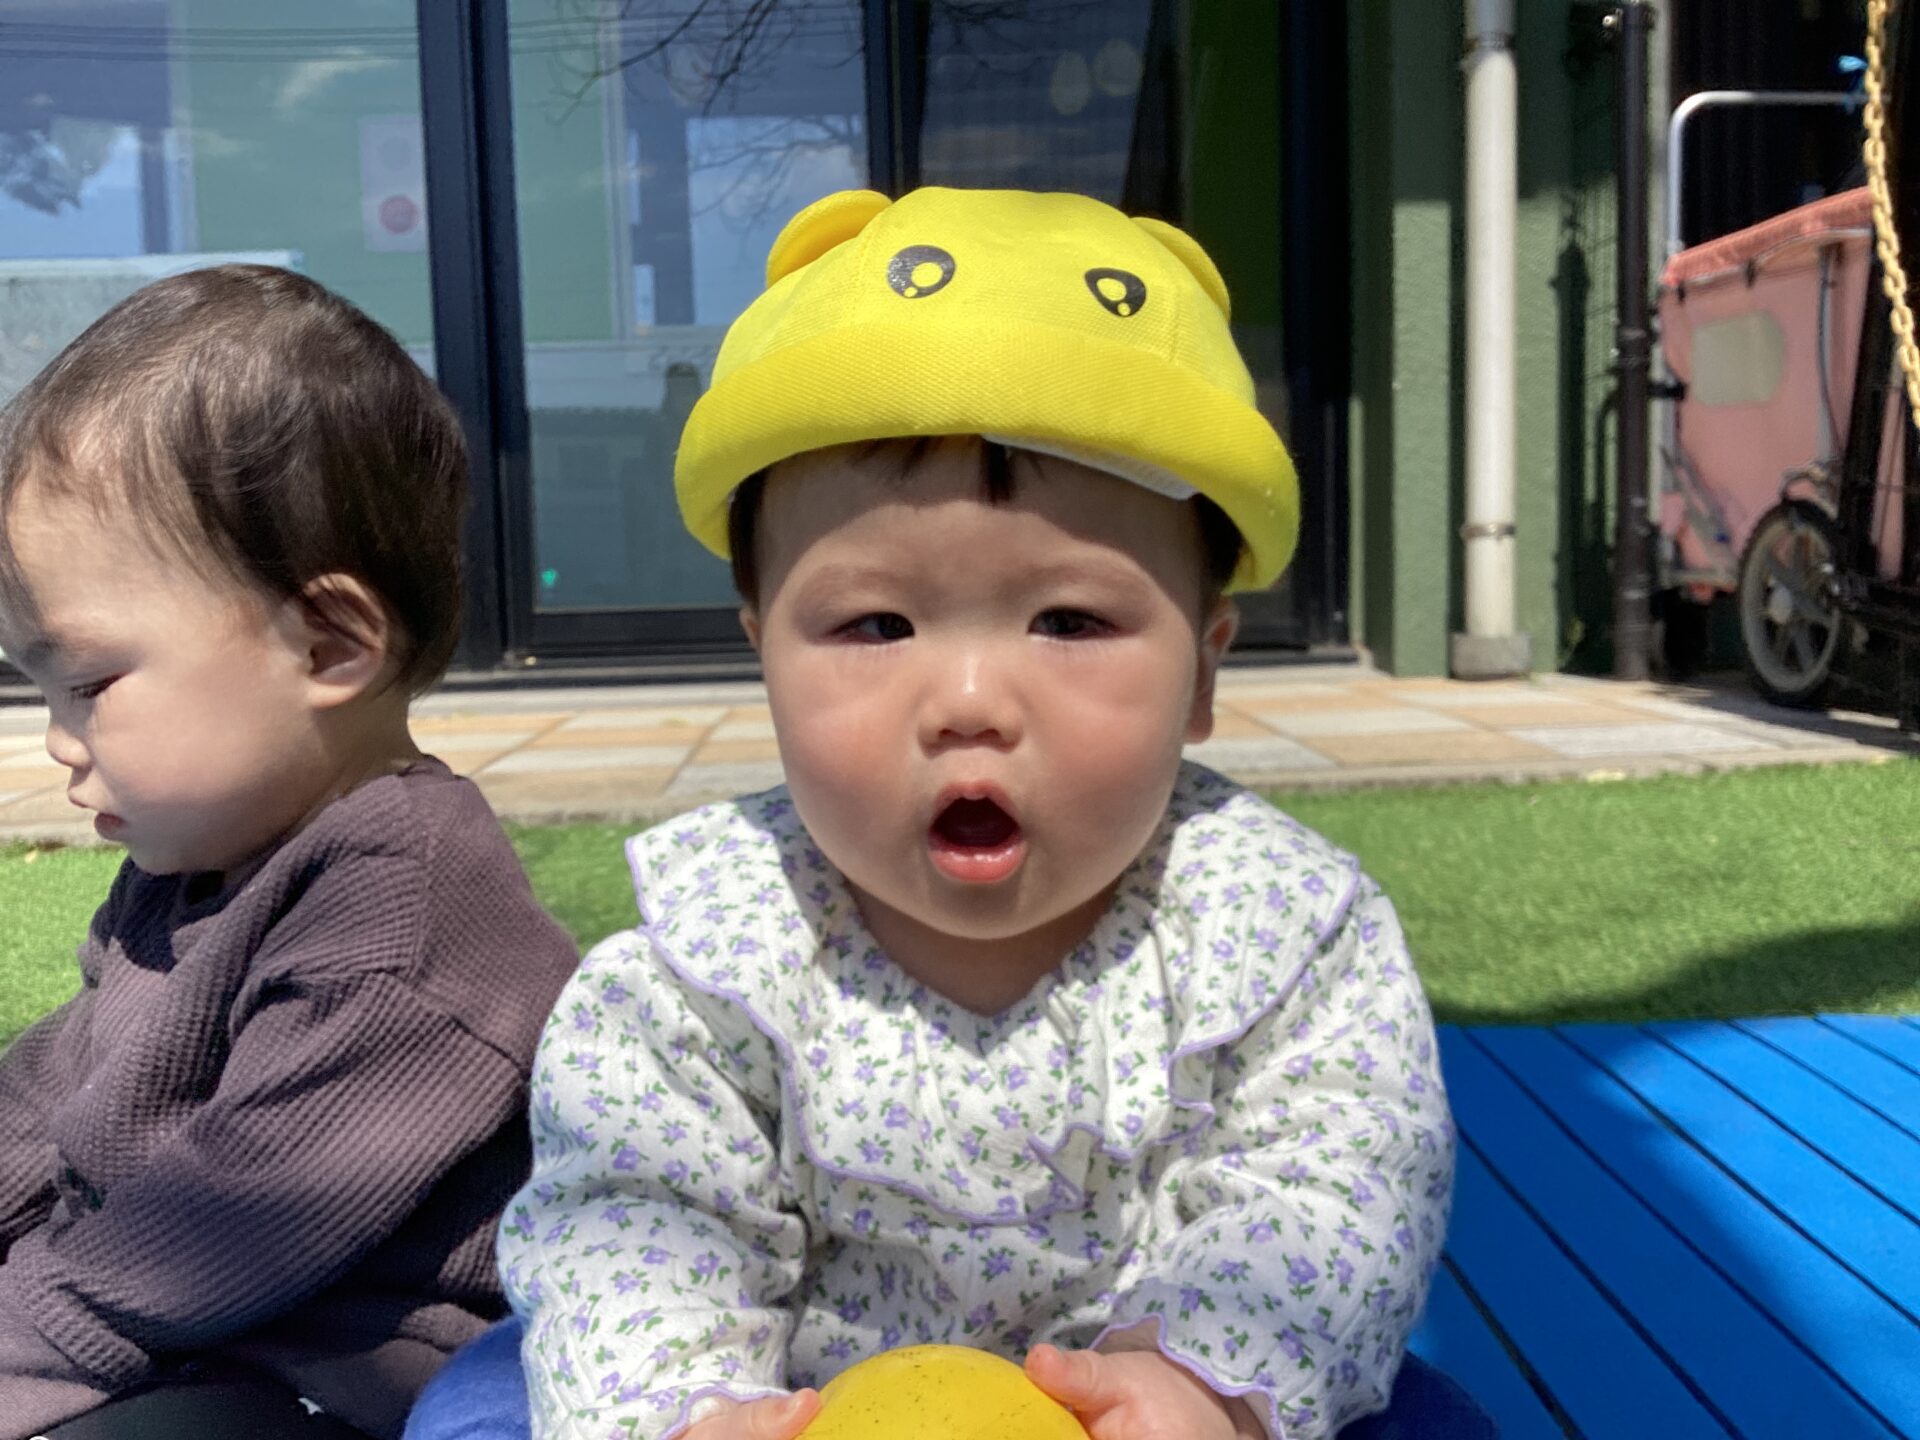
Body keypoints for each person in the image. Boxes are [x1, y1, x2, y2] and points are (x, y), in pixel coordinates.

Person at [411, 186, 1471, 1440]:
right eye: (877, 625)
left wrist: (1208, 1382)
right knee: (476, 1405)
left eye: (1068, 620)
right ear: (763, 655)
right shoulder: (708, 953)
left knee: (1431, 1422)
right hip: (809, 1405)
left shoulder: (1284, 933)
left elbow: (1339, 1189)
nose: (968, 701)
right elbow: (635, 1218)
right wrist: (687, 1406)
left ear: (1204, 670)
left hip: (1157, 1401)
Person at [0, 266, 581, 1440]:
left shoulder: (403, 911)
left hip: (345, 1373)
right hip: (186, 1336)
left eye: (90, 684)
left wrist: (21, 1338)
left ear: (326, 644)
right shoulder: (191, 869)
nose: (57, 741)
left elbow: (223, 1226)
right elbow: (59, 1093)